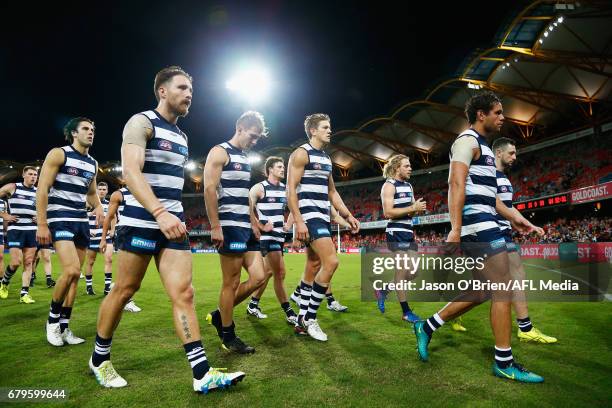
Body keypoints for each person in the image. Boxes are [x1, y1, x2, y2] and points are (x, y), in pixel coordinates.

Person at [89, 66, 244, 392]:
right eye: (182, 87)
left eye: (192, 90)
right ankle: (99, 359)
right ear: (162, 90)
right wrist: (158, 212)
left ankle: (201, 374)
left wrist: (169, 215)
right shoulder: (142, 122)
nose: (189, 94)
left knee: (184, 294)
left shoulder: (183, 137)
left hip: (173, 225)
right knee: (124, 290)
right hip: (141, 221)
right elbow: (131, 173)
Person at [412, 91, 545, 383]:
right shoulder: (467, 141)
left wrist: (520, 221)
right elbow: (454, 183)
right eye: (497, 112)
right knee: (503, 289)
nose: (502, 117)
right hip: (476, 225)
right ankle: (503, 362)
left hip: (487, 221)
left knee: (485, 290)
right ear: (481, 114)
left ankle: (427, 326)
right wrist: (456, 229)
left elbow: (494, 201)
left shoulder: (483, 147)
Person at [286, 113, 360, 341]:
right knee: (332, 261)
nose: (330, 130)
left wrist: (347, 215)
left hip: (323, 215)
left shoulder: (326, 158)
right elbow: (290, 189)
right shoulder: (301, 153)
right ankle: (308, 318)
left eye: (330, 126)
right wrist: (298, 220)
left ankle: (301, 316)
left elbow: (332, 192)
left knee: (314, 263)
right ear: (313, 131)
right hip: (309, 216)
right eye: (325, 127)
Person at [203, 111, 268, 354]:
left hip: (245, 225)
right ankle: (228, 335)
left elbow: (243, 195)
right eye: (252, 136)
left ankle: (220, 315)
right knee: (230, 282)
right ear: (240, 127)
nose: (254, 142)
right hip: (229, 225)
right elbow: (209, 189)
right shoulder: (220, 151)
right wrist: (215, 225)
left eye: (257, 139)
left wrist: (253, 221)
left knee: (260, 276)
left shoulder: (243, 156)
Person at [37, 117, 102, 346]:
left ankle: (65, 328)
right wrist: (42, 224)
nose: (90, 132)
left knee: (75, 279)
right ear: (73, 133)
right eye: (85, 128)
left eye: (93, 129)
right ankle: (52, 322)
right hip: (60, 218)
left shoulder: (93, 163)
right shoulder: (59, 154)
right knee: (72, 270)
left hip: (81, 221)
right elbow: (42, 188)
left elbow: (92, 193)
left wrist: (100, 209)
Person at [491, 137, 556, 344]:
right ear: (498, 153)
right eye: (511, 153)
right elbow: (494, 204)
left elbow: (509, 206)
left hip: (504, 232)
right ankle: (438, 321)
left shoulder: (504, 178)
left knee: (514, 276)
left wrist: (529, 224)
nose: (515, 157)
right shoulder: (487, 174)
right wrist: (516, 220)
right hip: (491, 232)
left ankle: (525, 327)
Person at [245, 156, 298, 325]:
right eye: (279, 167)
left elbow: (294, 209)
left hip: (279, 236)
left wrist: (288, 225)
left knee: (267, 273)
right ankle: (289, 312)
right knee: (280, 273)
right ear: (270, 170)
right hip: (267, 238)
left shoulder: (285, 189)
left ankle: (252, 305)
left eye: (283, 167)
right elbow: (248, 205)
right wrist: (259, 224)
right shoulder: (260, 188)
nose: (283, 169)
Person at [377, 154, 426, 322]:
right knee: (402, 270)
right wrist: (412, 207)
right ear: (397, 168)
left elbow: (410, 212)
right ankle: (406, 312)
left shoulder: (409, 185)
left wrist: (417, 209)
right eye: (406, 166)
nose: (410, 168)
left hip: (408, 231)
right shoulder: (389, 186)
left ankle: (384, 290)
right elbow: (388, 212)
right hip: (396, 232)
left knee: (413, 272)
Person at [0, 166, 40, 303]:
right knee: (16, 262)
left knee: (29, 262)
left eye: (35, 174)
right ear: (24, 175)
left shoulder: (39, 191)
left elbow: (47, 209)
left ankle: (24, 294)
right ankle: (4, 282)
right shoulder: (13, 187)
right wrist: (4, 215)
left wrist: (40, 218)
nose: (33, 177)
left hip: (32, 230)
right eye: (30, 174)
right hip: (15, 229)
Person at [100, 186, 141, 312]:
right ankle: (126, 301)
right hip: (125, 234)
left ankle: (115, 288)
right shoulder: (119, 194)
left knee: (135, 272)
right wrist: (103, 238)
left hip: (140, 234)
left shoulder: (143, 191)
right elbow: (109, 217)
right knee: (129, 271)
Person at [83, 182, 113, 296]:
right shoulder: (88, 203)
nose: (101, 191)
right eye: (99, 189)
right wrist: (88, 231)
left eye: (104, 189)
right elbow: (82, 218)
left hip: (104, 237)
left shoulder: (110, 204)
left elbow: (113, 218)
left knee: (109, 260)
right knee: (90, 262)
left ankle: (107, 288)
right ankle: (89, 287)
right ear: (96, 190)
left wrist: (111, 230)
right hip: (91, 237)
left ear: (107, 191)